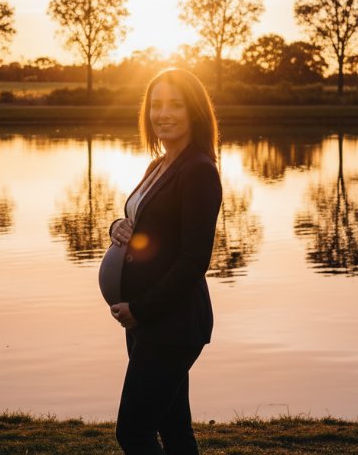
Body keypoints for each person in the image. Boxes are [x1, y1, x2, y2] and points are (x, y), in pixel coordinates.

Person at [108, 68, 222, 454]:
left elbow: (193, 261)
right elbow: (140, 222)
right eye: (156, 105)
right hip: (145, 319)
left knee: (134, 433)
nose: (163, 114)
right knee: (174, 430)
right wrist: (118, 227)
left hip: (170, 323)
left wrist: (140, 309)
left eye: (175, 104)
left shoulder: (199, 171)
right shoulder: (159, 165)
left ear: (194, 112)